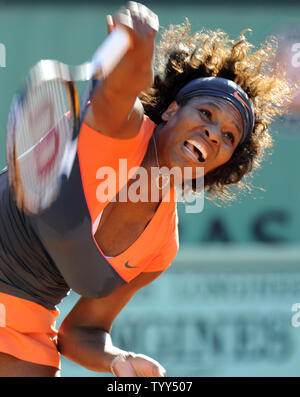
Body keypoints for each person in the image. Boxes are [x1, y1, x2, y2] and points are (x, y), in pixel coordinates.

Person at [0, 2, 291, 377]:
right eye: (206, 113)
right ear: (170, 111)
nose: (213, 133)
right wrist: (142, 43)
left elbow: (82, 332)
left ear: (223, 163)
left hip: (22, 332)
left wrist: (118, 361)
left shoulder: (161, 246)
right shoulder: (119, 127)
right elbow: (124, 85)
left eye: (229, 137)